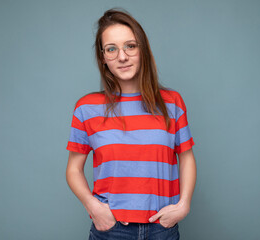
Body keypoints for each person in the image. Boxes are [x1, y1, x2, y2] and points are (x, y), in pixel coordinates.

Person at [66, 8, 196, 240]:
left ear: (142, 50)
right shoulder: (86, 108)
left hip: (162, 229)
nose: (122, 56)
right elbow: (73, 170)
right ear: (103, 57)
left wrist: (183, 205)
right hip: (111, 230)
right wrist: (93, 207)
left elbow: (186, 157)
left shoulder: (172, 103)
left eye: (130, 46)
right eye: (111, 49)